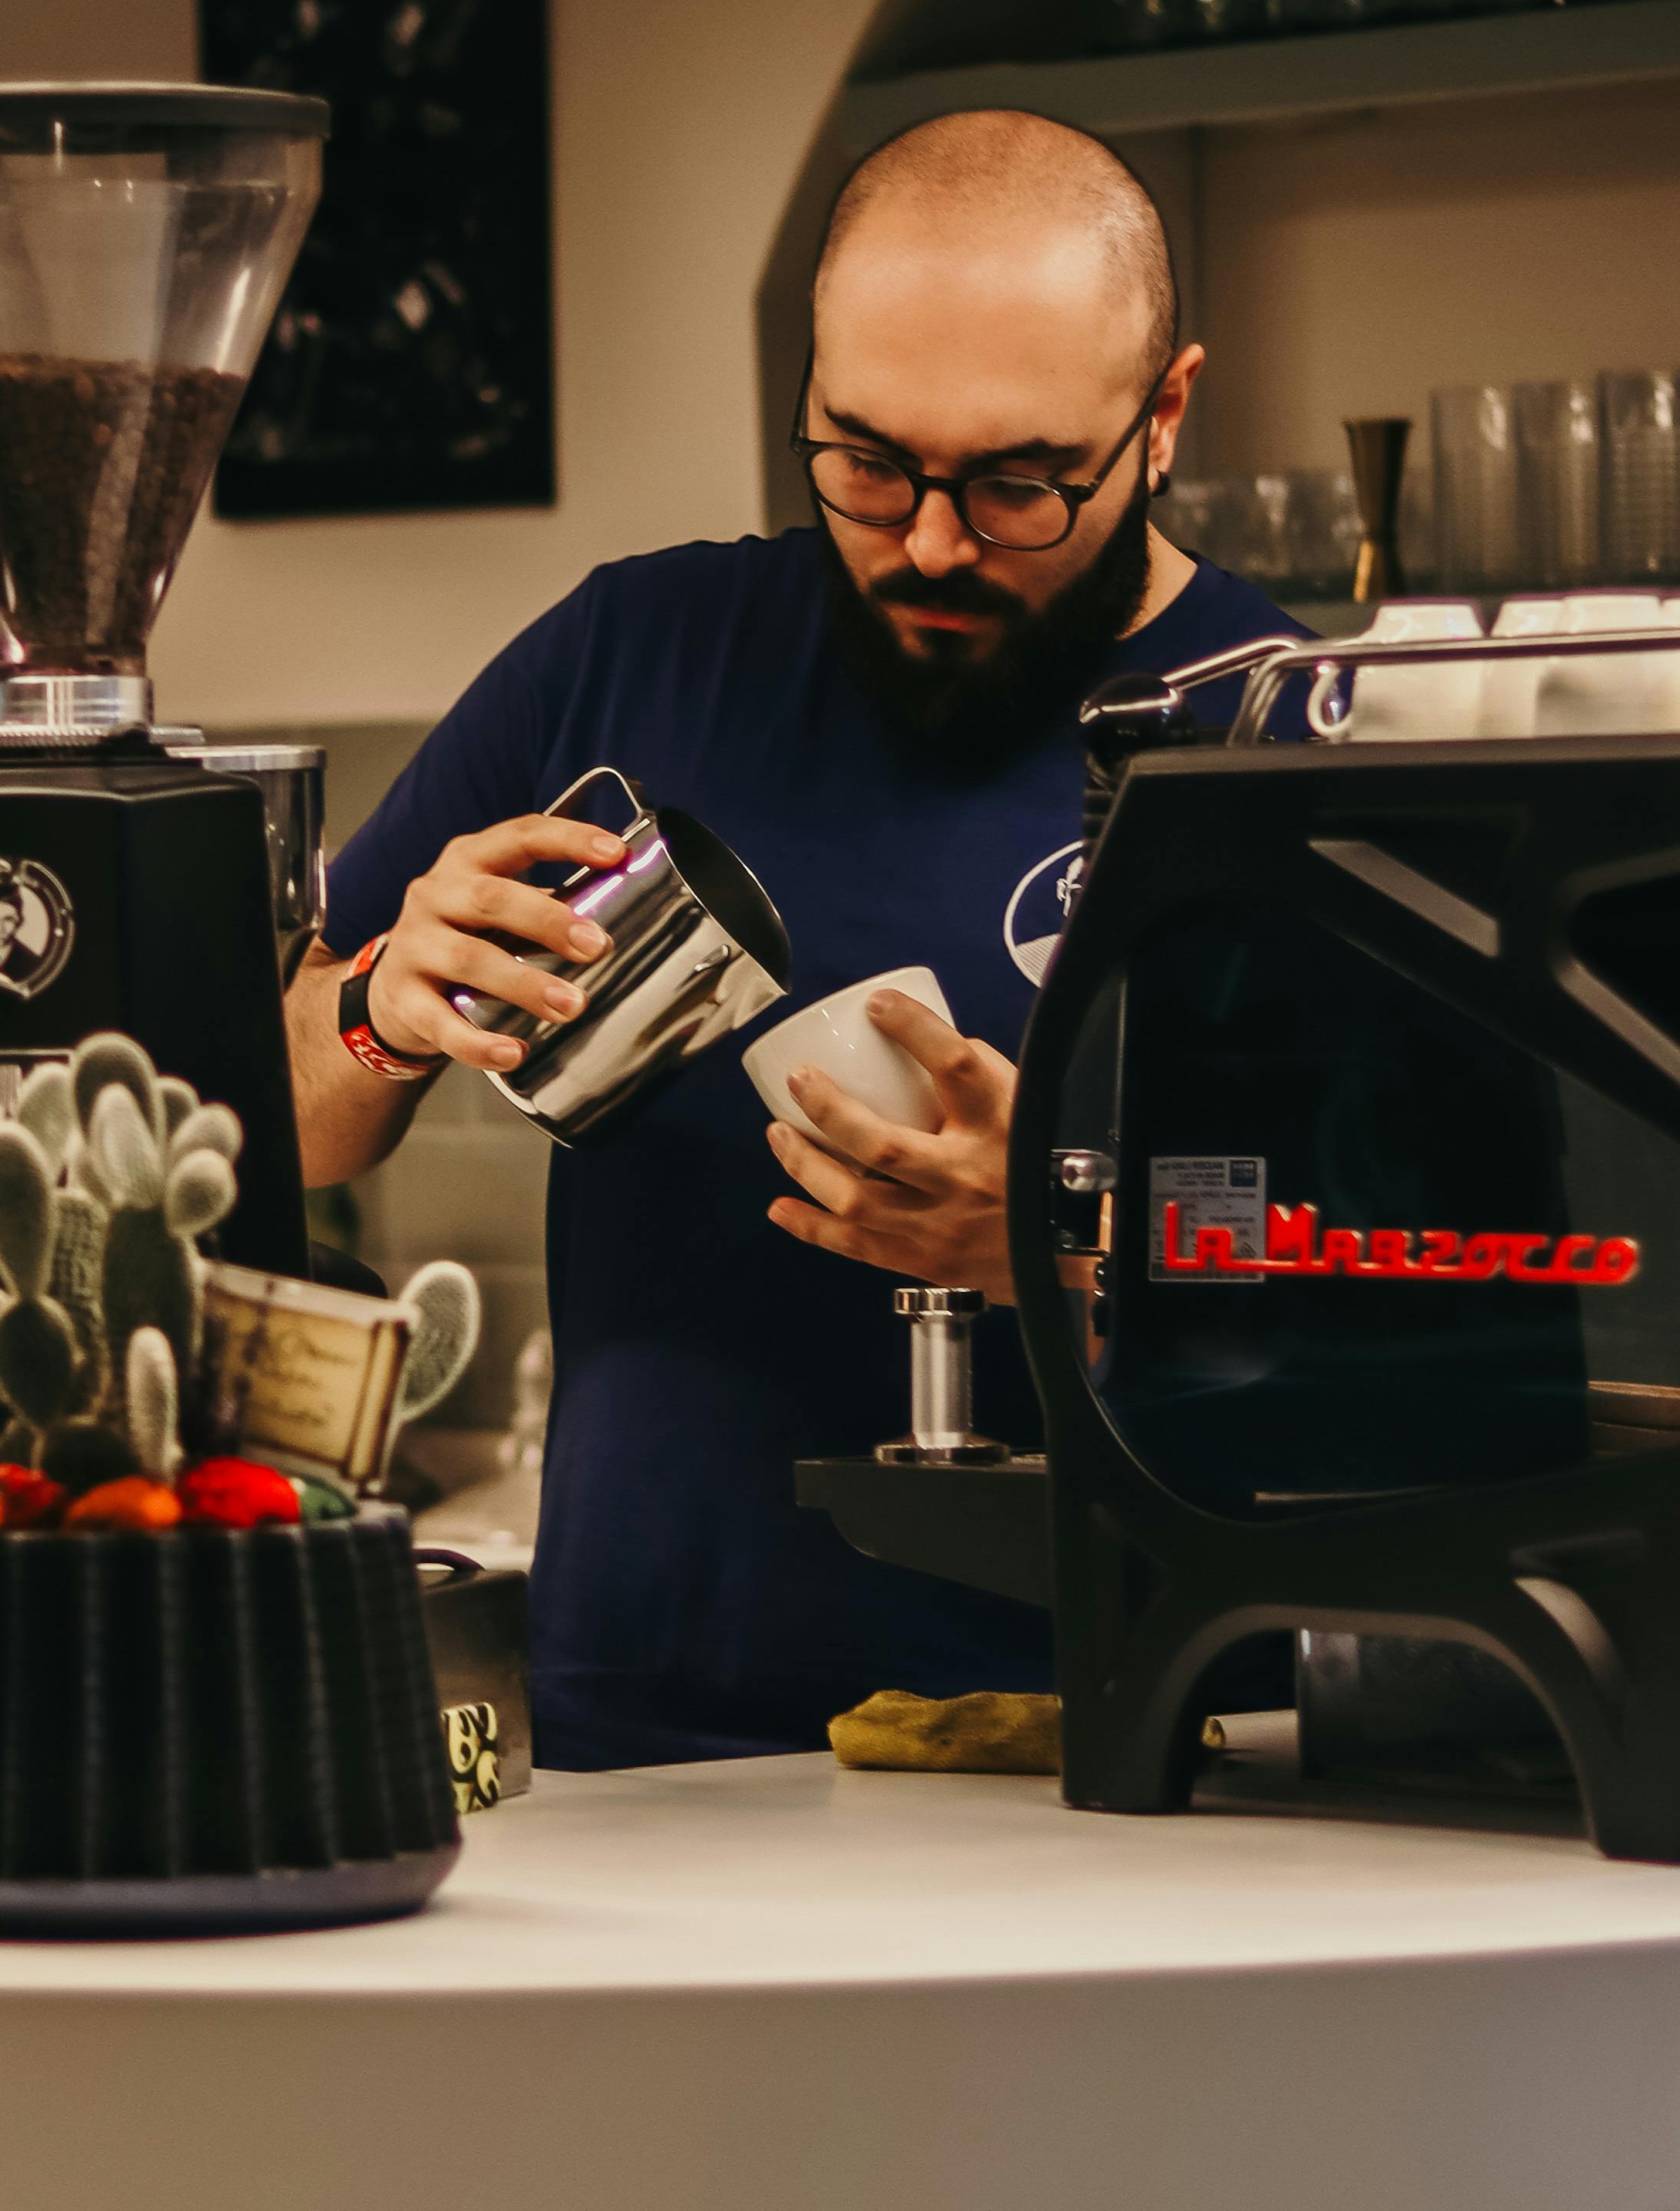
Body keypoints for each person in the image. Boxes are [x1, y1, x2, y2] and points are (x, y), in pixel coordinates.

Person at [288, 108, 1297, 1766]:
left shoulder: (1285, 735)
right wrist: (381, 1014)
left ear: (1166, 415)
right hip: (644, 1738)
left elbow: (1435, 1300)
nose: (932, 544)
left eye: (1022, 485)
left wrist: (1065, 1254)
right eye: (867, 461)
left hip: (1117, 1754)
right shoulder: (630, 655)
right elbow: (273, 1112)